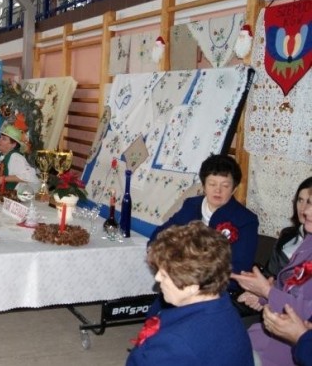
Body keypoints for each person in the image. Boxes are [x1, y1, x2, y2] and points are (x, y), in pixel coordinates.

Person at [127, 222, 254, 365]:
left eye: (164, 275)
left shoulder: (175, 343)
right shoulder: (224, 307)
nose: (157, 278)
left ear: (192, 286)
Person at [149, 154, 259, 290]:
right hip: (178, 281)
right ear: (203, 186)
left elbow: (240, 269)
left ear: (234, 189)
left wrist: (196, 280)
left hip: (216, 290)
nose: (218, 190)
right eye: (212, 184)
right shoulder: (191, 205)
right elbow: (158, 238)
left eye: (225, 185)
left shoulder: (245, 220)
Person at [231, 189, 312, 366]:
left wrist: (267, 292)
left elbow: (307, 312)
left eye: (311, 204)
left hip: (290, 350)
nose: (305, 211)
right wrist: (262, 295)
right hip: (268, 334)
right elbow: (292, 287)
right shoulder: (309, 242)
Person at [264, 177, 312, 277]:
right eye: (300, 200)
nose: (303, 208)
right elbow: (269, 273)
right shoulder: (287, 235)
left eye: (309, 202)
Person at [0, 124, 39, 192]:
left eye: (4, 139)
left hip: (8, 196)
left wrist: (4, 179)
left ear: (13, 144)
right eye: (0, 137)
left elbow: (31, 177)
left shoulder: (16, 157)